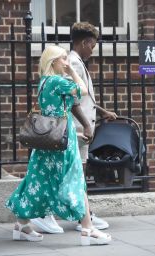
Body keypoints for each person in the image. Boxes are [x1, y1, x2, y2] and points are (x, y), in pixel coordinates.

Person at [5, 45, 111, 246]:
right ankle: (88, 228)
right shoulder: (56, 81)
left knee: (37, 178)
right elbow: (83, 90)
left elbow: (68, 103)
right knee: (76, 177)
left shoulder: (44, 82)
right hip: (62, 139)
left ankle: (22, 224)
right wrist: (72, 71)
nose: (66, 62)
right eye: (63, 59)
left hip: (48, 138)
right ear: (53, 61)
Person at [31, 22, 117, 234]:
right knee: (75, 173)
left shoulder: (75, 61)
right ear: (85, 42)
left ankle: (81, 217)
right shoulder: (72, 63)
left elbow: (81, 97)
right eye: (92, 45)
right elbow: (74, 98)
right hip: (74, 129)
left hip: (75, 128)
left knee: (70, 172)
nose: (93, 50)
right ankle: (80, 218)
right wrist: (87, 124)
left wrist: (101, 111)